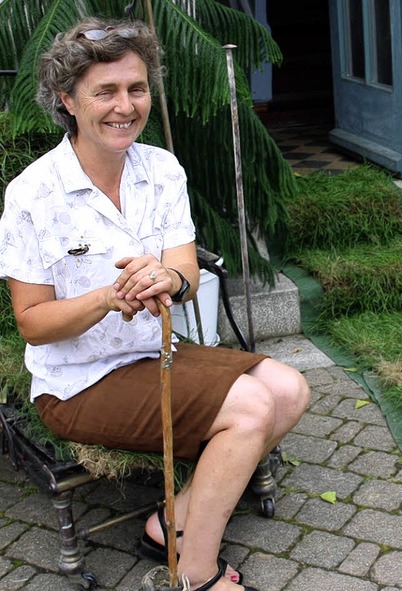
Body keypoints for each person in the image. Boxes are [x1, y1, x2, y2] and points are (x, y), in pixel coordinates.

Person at [0, 17, 310, 591]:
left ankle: (171, 522)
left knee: (291, 390)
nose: (125, 106)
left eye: (136, 88)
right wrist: (105, 299)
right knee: (248, 409)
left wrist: (168, 278)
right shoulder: (32, 196)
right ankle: (194, 575)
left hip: (155, 353)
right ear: (67, 100)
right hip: (78, 380)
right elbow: (34, 324)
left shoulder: (161, 169)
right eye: (105, 91)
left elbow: (187, 271)